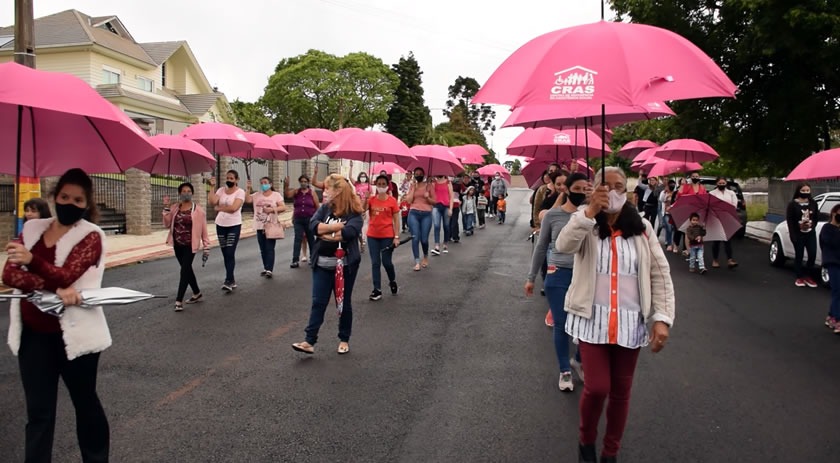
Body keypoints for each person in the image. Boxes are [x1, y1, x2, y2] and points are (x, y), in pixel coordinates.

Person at [556, 167, 674, 463]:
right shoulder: (584, 222)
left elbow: (660, 274)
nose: (612, 191)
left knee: (621, 392)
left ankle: (611, 452)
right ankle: (586, 441)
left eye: (618, 186)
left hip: (629, 323)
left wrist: (661, 317)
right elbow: (562, 246)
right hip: (591, 321)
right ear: (592, 189)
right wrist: (589, 212)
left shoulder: (643, 228)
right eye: (604, 186)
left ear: (628, 192)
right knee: (597, 388)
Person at [3, 168, 111, 462]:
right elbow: (10, 274)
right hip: (33, 335)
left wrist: (32, 262)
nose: (69, 203)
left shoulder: (92, 236)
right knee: (39, 413)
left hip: (75, 337)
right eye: (64, 196)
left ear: (87, 204)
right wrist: (53, 286)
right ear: (53, 196)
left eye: (78, 200)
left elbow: (67, 274)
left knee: (85, 404)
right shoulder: (33, 229)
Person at [525, 172, 589, 391]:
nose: (581, 193)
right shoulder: (553, 216)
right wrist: (531, 277)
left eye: (584, 189)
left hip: (584, 276)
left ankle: (578, 360)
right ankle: (564, 371)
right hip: (558, 273)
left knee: (585, 325)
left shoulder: (591, 216)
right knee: (561, 324)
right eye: (577, 189)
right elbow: (541, 247)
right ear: (567, 189)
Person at [292, 174, 364, 355]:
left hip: (344, 267)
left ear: (338, 190)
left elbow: (349, 233)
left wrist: (327, 232)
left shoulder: (354, 212)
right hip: (322, 264)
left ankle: (344, 338)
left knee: (343, 303)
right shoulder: (324, 208)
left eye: (327, 188)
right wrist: (335, 227)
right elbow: (314, 226)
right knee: (318, 302)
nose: (324, 192)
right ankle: (309, 341)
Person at [163, 182, 210, 311]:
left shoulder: (198, 210)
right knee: (187, 270)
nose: (186, 193)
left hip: (191, 245)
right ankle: (197, 293)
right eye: (183, 191)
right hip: (177, 244)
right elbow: (166, 224)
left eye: (189, 191)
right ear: (179, 193)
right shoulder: (174, 208)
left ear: (192, 193)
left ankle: (179, 300)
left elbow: (203, 229)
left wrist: (206, 246)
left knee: (184, 271)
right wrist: (166, 208)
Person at [208, 170, 246, 292]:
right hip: (220, 224)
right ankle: (231, 278)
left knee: (230, 252)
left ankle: (228, 280)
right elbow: (212, 202)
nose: (229, 180)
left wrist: (220, 208)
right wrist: (212, 187)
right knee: (225, 253)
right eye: (227, 178)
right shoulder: (220, 190)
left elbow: (234, 208)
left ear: (236, 180)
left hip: (233, 225)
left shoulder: (240, 192)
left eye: (231, 178)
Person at [366, 175, 401, 300]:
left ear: (387, 186)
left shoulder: (392, 201)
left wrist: (396, 237)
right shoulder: (371, 200)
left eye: (383, 184)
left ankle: (392, 280)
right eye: (379, 184)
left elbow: (396, 220)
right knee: (375, 263)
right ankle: (377, 289)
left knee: (387, 262)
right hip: (372, 236)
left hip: (387, 235)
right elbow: (361, 210)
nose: (381, 186)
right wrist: (365, 198)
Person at [246, 176, 286, 277]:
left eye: (265, 182)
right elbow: (247, 200)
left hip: (271, 225)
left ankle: (269, 269)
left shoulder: (276, 195)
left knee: (269, 247)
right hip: (259, 225)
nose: (263, 184)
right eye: (261, 183)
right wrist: (248, 188)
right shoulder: (256, 195)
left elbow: (283, 207)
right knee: (262, 248)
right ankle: (265, 266)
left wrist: (272, 210)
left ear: (270, 184)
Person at [786, 182, 820, 288]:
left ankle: (809, 275)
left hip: (810, 233)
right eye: (803, 190)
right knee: (799, 255)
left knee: (812, 253)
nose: (805, 192)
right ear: (798, 191)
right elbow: (790, 221)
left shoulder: (813, 203)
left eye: (807, 190)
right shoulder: (792, 204)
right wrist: (793, 233)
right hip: (798, 234)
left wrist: (811, 224)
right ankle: (799, 276)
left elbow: (816, 218)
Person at [285, 174, 320, 268]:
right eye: (302, 181)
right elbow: (287, 195)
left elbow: (317, 206)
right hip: (298, 219)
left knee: (311, 239)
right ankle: (295, 260)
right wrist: (286, 185)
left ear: (308, 182)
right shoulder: (296, 192)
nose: (303, 183)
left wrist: (317, 218)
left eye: (305, 182)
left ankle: (313, 258)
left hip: (309, 219)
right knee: (298, 238)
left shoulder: (312, 193)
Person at [406, 167, 435, 271]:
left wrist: (427, 197)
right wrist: (413, 188)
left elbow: (434, 202)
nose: (418, 175)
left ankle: (425, 256)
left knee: (424, 239)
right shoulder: (412, 186)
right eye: (416, 173)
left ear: (423, 175)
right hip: (413, 213)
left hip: (426, 214)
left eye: (420, 173)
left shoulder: (429, 186)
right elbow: (409, 201)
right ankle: (417, 261)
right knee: (415, 237)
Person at [709, 177, 739, 269]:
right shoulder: (712, 193)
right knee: (716, 240)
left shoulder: (731, 193)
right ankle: (715, 260)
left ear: (726, 183)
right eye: (720, 183)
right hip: (716, 218)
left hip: (727, 218)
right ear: (716, 183)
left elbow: (734, 205)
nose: (722, 184)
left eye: (723, 183)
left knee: (727, 240)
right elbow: (710, 205)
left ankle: (730, 259)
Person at [819, 204, 840, 333]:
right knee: (838, 290)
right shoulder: (827, 229)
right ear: (833, 213)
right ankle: (837, 319)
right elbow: (829, 244)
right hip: (833, 262)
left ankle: (831, 316)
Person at [430, 175, 453, 256]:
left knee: (446, 226)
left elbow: (451, 196)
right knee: (436, 226)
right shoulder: (434, 182)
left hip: (446, 206)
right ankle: (437, 246)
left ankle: (445, 244)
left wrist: (451, 208)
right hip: (436, 206)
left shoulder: (448, 182)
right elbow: (431, 194)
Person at [355, 172, 372, 252]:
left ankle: (363, 241)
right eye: (361, 176)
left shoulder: (369, 186)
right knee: (358, 228)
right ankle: (360, 241)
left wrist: (365, 209)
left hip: (365, 208)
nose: (363, 178)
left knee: (363, 225)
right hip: (357, 209)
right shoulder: (357, 185)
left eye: (364, 176)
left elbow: (369, 198)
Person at [658, 180, 676, 251]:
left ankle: (670, 242)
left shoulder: (675, 193)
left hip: (673, 213)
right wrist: (665, 194)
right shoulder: (663, 192)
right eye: (670, 185)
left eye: (672, 185)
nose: (671, 186)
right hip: (666, 213)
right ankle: (669, 243)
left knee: (672, 229)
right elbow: (661, 200)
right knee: (668, 228)